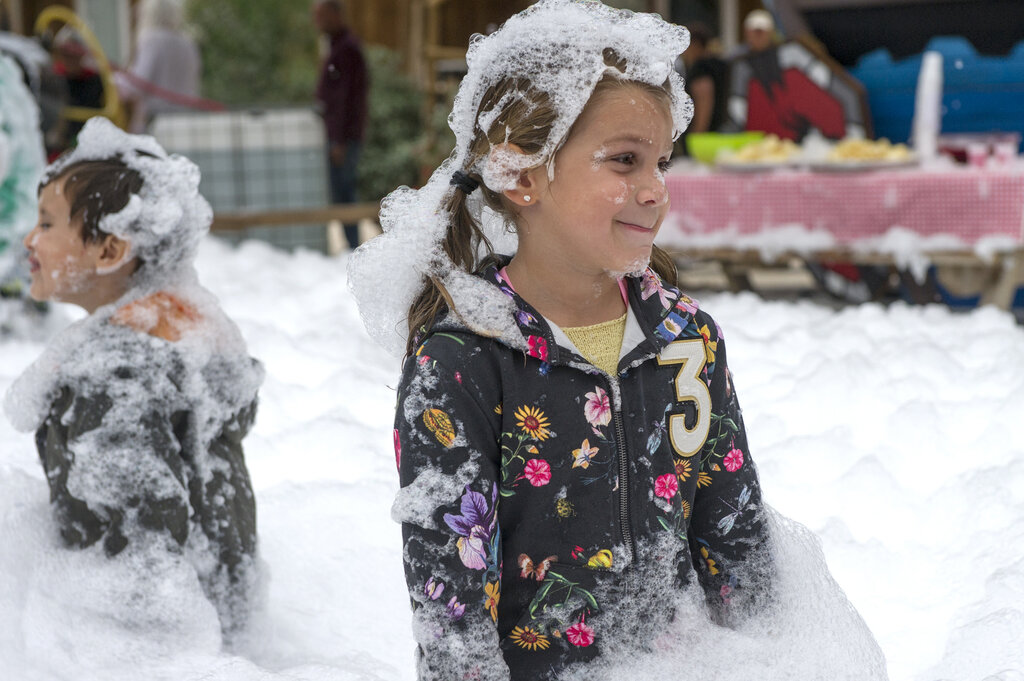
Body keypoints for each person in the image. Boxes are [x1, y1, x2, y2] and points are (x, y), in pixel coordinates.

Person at [350, 1, 774, 678]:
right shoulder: (461, 364)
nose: (655, 190)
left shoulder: (686, 339)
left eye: (661, 161)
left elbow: (740, 552)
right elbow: (453, 624)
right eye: (625, 161)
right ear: (521, 174)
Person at [3, 117, 263, 642]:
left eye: (48, 224)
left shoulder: (117, 375)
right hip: (222, 619)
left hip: (154, 645)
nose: (30, 239)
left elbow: (142, 551)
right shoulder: (185, 337)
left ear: (109, 250)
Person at [313, 0, 369, 250]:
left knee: (345, 194)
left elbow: (344, 100)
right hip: (340, 136)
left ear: (336, 15)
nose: (318, 22)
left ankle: (354, 247)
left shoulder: (346, 49)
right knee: (341, 194)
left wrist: (339, 140)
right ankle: (351, 246)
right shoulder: (338, 47)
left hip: (343, 139)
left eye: (322, 16)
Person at [115, 0, 201, 133]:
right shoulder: (188, 43)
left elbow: (138, 84)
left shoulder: (152, 39)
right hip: (185, 120)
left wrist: (113, 79)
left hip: (156, 120)